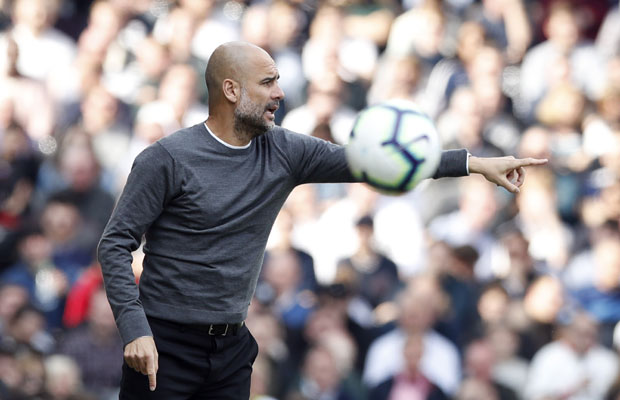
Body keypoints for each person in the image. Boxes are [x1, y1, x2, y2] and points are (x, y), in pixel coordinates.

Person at [97, 41, 547, 399]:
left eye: (279, 81)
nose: (280, 93)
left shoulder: (284, 150)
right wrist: (135, 330)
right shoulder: (166, 158)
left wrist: (473, 164)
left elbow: (369, 162)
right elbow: (115, 244)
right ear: (231, 91)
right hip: (163, 345)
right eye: (268, 82)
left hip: (232, 348)